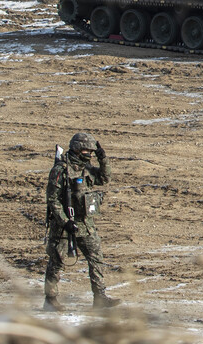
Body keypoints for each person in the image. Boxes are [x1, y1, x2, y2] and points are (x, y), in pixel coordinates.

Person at [44, 132, 121, 311]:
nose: (90, 154)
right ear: (78, 149)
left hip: (85, 224)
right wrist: (64, 221)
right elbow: (53, 200)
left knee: (96, 259)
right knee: (57, 262)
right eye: (88, 150)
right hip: (64, 225)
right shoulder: (61, 170)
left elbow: (104, 178)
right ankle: (50, 299)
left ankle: (100, 298)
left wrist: (103, 159)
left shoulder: (87, 169)